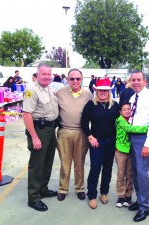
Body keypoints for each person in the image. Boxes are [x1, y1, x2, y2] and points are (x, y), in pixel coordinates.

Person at [22, 63, 59, 211]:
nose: (47, 77)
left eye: (49, 74)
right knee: (37, 164)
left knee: (47, 162)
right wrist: (34, 137)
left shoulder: (49, 88)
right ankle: (34, 198)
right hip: (39, 130)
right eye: (43, 74)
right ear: (37, 74)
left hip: (50, 129)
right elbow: (26, 114)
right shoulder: (32, 91)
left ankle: (43, 189)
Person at [81, 78, 120, 209]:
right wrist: (90, 137)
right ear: (96, 90)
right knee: (95, 168)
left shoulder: (114, 105)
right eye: (100, 90)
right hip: (96, 142)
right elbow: (84, 122)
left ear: (109, 91)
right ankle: (92, 195)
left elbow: (121, 122)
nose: (103, 92)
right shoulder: (90, 105)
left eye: (105, 90)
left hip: (111, 142)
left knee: (108, 168)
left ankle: (104, 192)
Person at [127, 70, 149, 222]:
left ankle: (144, 207)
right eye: (133, 80)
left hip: (143, 139)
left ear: (145, 81)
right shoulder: (133, 97)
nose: (135, 82)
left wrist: (147, 145)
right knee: (135, 171)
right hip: (133, 137)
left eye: (138, 79)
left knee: (141, 172)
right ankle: (140, 201)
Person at [55, 69, 93, 202]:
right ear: (67, 80)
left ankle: (80, 188)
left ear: (82, 79)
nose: (75, 81)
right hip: (64, 131)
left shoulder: (88, 95)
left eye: (78, 79)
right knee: (65, 163)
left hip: (81, 132)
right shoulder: (60, 93)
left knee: (79, 163)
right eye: (72, 79)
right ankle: (63, 189)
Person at [115, 102, 148, 208]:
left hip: (130, 151)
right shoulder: (120, 120)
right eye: (124, 109)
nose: (127, 111)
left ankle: (128, 196)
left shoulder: (132, 120)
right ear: (120, 112)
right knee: (121, 175)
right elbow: (132, 129)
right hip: (121, 151)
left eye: (129, 109)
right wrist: (148, 128)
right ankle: (121, 196)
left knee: (130, 175)